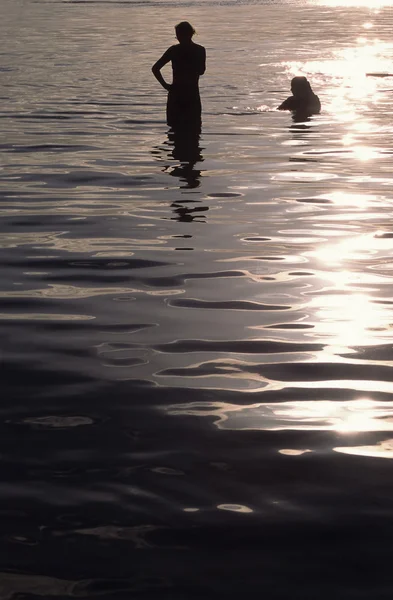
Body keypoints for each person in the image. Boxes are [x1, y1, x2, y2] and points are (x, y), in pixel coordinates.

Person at [152, 21, 206, 131]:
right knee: (193, 131)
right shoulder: (199, 50)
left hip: (179, 94)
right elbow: (201, 71)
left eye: (179, 34)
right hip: (190, 94)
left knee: (175, 130)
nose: (178, 37)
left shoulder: (174, 50)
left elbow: (155, 68)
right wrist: (165, 86)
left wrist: (166, 85)